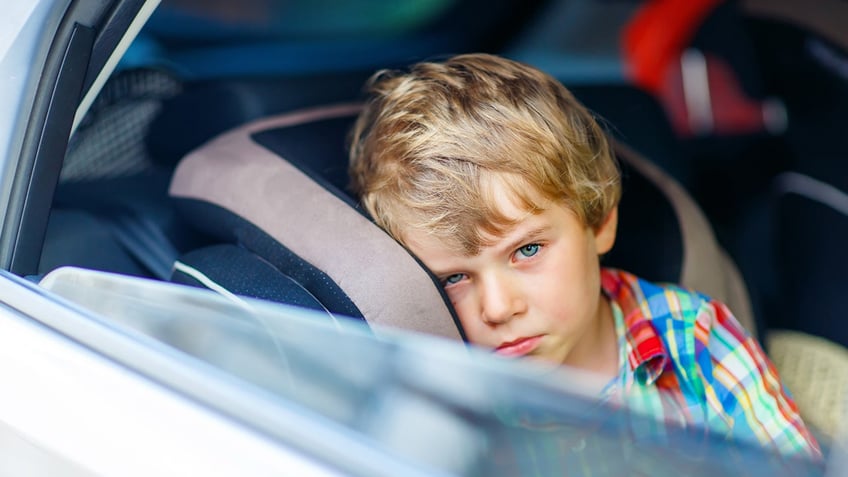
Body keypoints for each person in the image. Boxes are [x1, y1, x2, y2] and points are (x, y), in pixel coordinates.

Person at [347, 53, 821, 459]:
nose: (497, 307)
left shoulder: (690, 340)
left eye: (527, 250)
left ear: (599, 223)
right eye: (453, 278)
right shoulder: (444, 396)